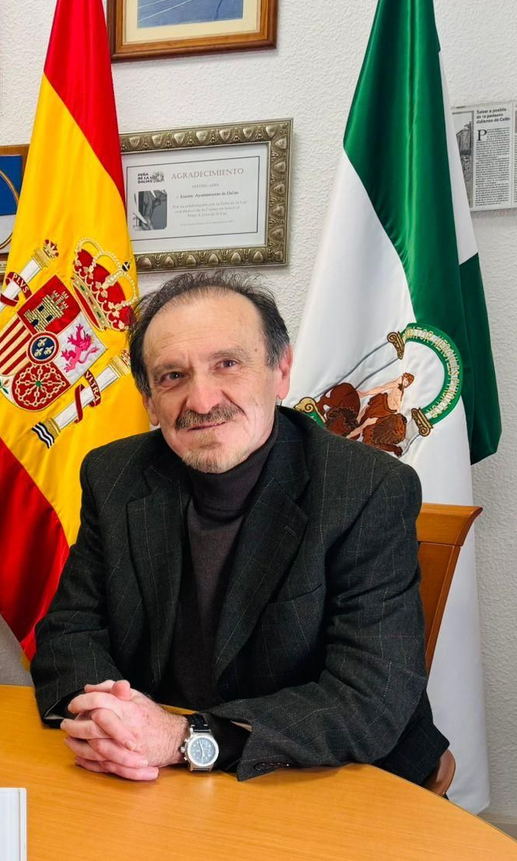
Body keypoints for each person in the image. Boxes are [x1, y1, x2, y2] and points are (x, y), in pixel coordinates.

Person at [31, 269, 448, 784]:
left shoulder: (366, 488)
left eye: (227, 364)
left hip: (322, 776)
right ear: (148, 400)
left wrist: (185, 739)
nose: (202, 401)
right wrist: (110, 722)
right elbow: (69, 633)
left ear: (281, 372)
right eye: (172, 376)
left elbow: (370, 697)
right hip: (154, 777)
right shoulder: (113, 475)